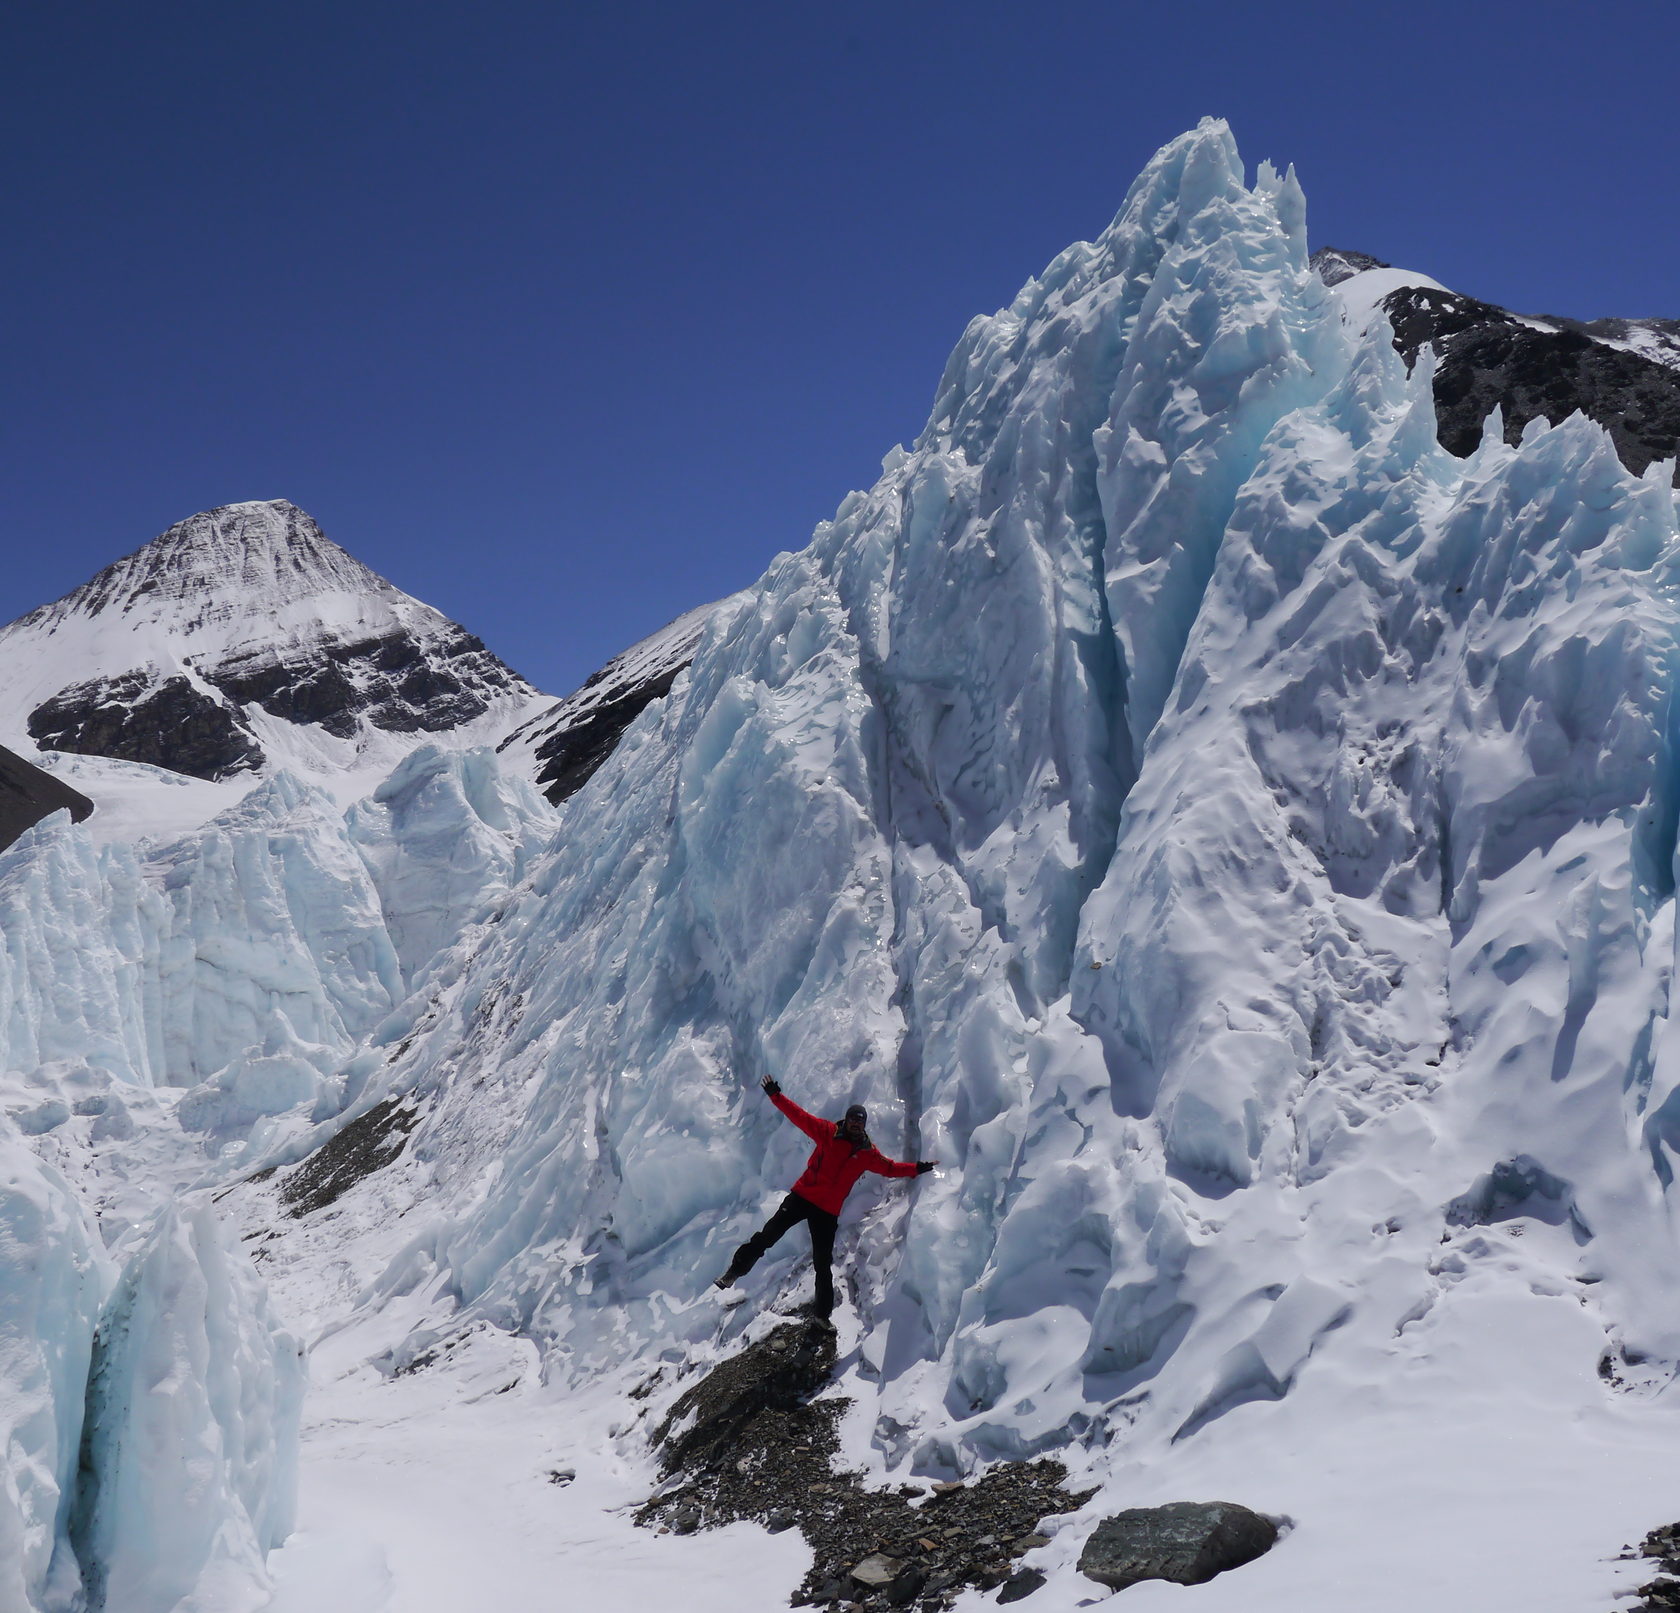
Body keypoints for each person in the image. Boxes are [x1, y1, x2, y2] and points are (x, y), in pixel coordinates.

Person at [714, 1076, 937, 1319]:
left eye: (859, 1121)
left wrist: (917, 1168)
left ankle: (822, 1318)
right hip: (802, 1197)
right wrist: (775, 1095)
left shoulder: (867, 1154)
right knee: (768, 1236)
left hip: (827, 1212)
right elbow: (799, 1116)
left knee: (822, 1265)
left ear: (864, 1125)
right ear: (847, 1120)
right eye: (852, 1119)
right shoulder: (828, 1132)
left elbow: (891, 1168)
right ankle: (735, 1272)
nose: (855, 1124)